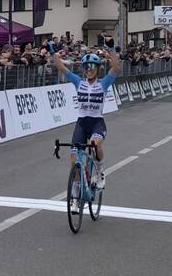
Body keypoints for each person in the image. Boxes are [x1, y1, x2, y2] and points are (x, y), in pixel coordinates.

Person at [51, 50, 121, 214]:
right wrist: (53, 53)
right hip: (81, 124)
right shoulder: (78, 82)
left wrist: (110, 50)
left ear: (97, 69)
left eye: (92, 66)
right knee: (74, 160)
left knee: (94, 144)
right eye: (86, 66)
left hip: (97, 123)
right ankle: (75, 199)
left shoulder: (103, 83)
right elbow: (61, 68)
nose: (89, 69)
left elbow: (116, 68)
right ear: (83, 68)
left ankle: (101, 172)